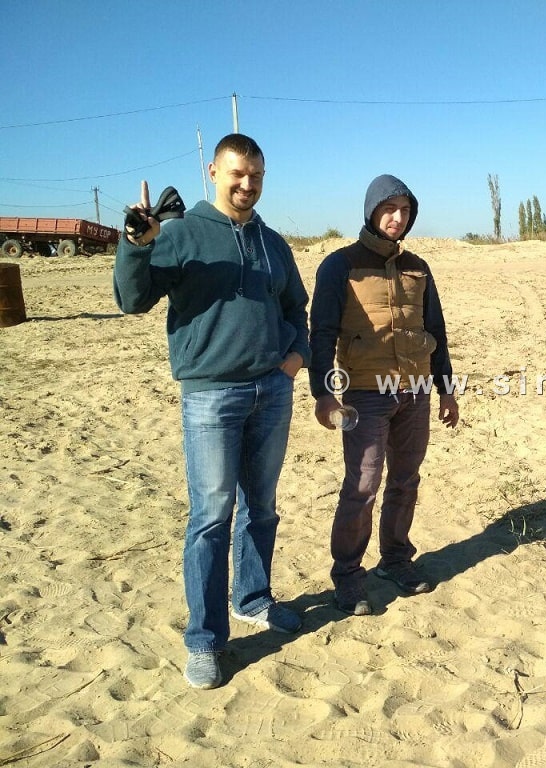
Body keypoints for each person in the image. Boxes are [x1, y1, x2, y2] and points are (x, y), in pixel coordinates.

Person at [113, 133, 311, 689]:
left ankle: (253, 598)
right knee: (210, 518)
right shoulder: (181, 234)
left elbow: (296, 307)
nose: (247, 184)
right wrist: (137, 245)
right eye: (237, 174)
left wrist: (297, 356)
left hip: (272, 391)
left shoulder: (273, 243)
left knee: (261, 507)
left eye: (256, 175)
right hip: (210, 397)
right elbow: (132, 301)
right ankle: (204, 641)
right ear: (213, 173)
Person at [309, 174, 458, 616]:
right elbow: (322, 334)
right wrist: (323, 393)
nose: (397, 218)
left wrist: (446, 390)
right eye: (389, 209)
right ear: (372, 210)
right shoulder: (339, 265)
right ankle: (348, 576)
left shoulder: (418, 267)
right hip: (366, 393)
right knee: (362, 486)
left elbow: (436, 329)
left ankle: (395, 560)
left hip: (415, 391)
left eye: (405, 210)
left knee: (406, 480)